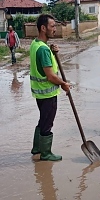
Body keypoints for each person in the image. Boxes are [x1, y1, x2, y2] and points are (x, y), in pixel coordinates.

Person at [29, 14, 70, 161]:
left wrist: (52, 51)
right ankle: (45, 154)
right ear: (43, 28)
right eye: (52, 26)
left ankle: (37, 148)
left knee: (43, 120)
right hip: (47, 94)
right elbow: (51, 76)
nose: (55, 29)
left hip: (39, 93)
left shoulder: (36, 44)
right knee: (47, 123)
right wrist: (63, 84)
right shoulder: (43, 50)